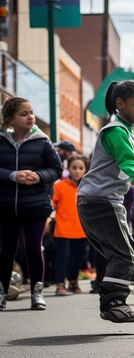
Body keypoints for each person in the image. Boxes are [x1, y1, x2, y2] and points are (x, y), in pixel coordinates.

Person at [77, 81, 134, 323]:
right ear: (120, 104)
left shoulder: (125, 131)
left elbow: (132, 162)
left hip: (101, 201)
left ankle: (115, 300)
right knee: (125, 256)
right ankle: (113, 304)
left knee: (128, 254)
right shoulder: (116, 131)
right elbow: (128, 164)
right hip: (100, 201)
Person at [0, 97, 63, 311]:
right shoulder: (1, 140)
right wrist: (12, 175)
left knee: (34, 248)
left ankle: (37, 292)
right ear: (10, 119)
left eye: (31, 112)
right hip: (5, 206)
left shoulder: (42, 141)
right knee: (6, 250)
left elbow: (57, 169)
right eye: (24, 113)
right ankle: (2, 292)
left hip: (35, 205)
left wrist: (37, 176)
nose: (30, 117)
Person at [52, 155, 90, 295]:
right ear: (68, 168)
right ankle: (60, 284)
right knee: (63, 256)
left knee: (79, 257)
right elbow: (51, 205)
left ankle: (73, 282)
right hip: (63, 229)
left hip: (82, 229)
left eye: (81, 168)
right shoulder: (59, 186)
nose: (77, 171)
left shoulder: (88, 188)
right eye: (74, 168)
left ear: (86, 170)